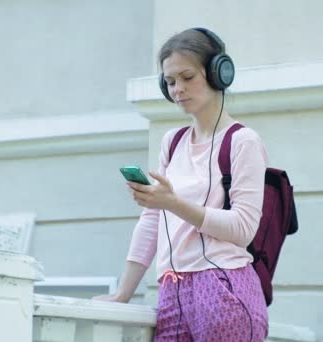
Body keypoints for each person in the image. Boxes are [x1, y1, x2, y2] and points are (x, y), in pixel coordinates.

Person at [94, 28, 269, 341]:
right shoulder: (172, 142)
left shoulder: (243, 142)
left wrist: (173, 203)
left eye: (188, 77)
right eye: (170, 81)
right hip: (171, 290)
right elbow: (151, 222)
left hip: (223, 286)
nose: (178, 90)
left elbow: (244, 228)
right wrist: (123, 292)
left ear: (219, 73)